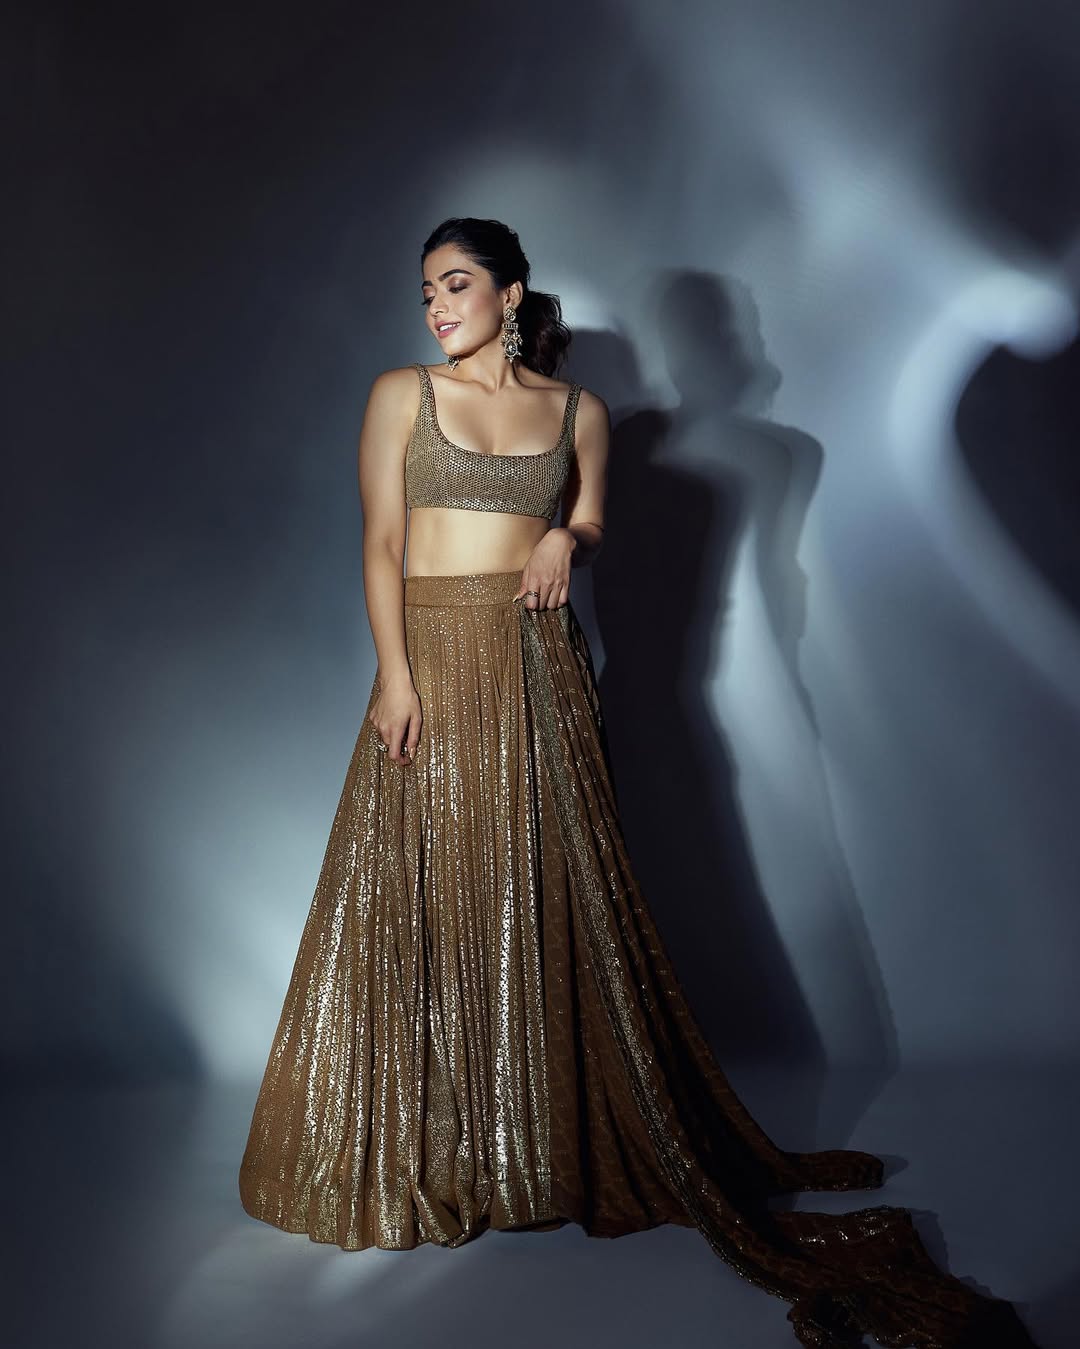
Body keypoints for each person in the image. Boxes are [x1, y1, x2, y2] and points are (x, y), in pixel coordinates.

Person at [239, 217, 1037, 1348]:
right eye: (426, 290)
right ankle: (448, 1147)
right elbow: (378, 542)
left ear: (512, 293)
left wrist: (568, 535)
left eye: (456, 284)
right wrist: (397, 677)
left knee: (546, 901)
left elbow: (596, 516)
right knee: (428, 895)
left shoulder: (579, 412)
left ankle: (541, 1149)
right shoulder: (399, 395)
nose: (436, 305)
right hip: (433, 664)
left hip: (542, 669)